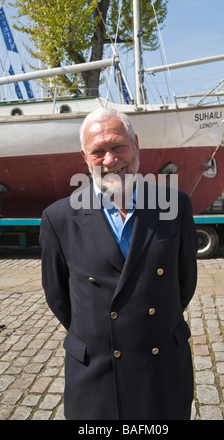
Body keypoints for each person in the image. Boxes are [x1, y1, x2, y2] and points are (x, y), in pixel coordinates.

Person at [40, 107, 198, 421]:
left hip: (161, 367)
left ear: (136, 144)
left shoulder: (175, 206)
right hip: (96, 374)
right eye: (98, 151)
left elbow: (184, 284)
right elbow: (58, 296)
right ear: (84, 157)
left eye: (118, 146)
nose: (111, 160)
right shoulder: (58, 218)